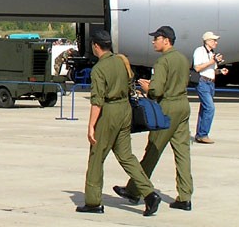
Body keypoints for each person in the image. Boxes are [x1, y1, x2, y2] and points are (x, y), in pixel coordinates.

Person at [77, 30, 160, 216]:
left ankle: (93, 201)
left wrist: (91, 126)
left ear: (96, 46)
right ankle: (149, 193)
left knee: (97, 156)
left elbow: (97, 101)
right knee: (126, 155)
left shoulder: (99, 69)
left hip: (110, 112)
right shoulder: (121, 61)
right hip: (125, 111)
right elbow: (131, 84)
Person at [115, 25, 194, 212]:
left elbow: (156, 90)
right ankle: (185, 196)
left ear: (166, 40)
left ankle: (135, 190)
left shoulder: (162, 62)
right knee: (182, 153)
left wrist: (146, 88)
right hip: (183, 104)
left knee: (154, 149)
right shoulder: (183, 59)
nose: (153, 41)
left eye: (156, 38)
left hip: (168, 106)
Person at [193, 31, 228, 144]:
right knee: (210, 108)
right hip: (202, 82)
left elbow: (211, 70)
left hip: (211, 83)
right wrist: (212, 61)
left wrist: (220, 71)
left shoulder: (211, 53)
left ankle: (200, 134)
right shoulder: (199, 51)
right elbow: (197, 68)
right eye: (214, 40)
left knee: (204, 109)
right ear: (207, 41)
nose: (216, 43)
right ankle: (203, 134)